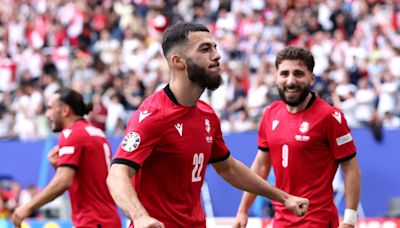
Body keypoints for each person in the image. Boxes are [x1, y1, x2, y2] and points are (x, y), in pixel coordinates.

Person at [106, 22, 309, 228]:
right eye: (205, 49)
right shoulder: (153, 115)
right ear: (178, 61)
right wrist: (140, 217)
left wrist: (283, 198)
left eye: (215, 47)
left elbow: (228, 168)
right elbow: (117, 174)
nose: (216, 55)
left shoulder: (207, 114)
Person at [233, 46, 361, 228]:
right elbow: (261, 165)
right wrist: (243, 210)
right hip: (280, 220)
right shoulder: (270, 113)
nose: (291, 81)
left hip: (317, 220)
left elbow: (351, 169)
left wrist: (349, 221)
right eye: (284, 74)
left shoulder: (330, 116)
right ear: (276, 76)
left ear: (311, 78)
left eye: (298, 74)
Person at [11, 88, 122, 228]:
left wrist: (26, 207)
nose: (47, 114)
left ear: (65, 110)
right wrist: (60, 167)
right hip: (108, 218)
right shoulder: (97, 133)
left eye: (50, 108)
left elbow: (64, 181)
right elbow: (88, 178)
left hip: (92, 221)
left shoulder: (72, 133)